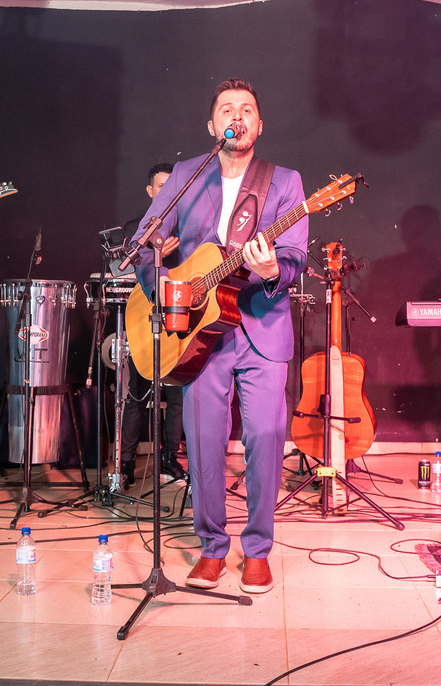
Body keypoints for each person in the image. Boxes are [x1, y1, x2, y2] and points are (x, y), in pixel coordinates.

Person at [131, 79, 307, 595]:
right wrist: (168, 293)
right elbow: (144, 242)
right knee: (204, 441)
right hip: (198, 330)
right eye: (227, 110)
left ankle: (257, 550)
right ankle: (210, 547)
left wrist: (273, 267)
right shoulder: (187, 176)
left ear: (259, 124)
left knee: (265, 440)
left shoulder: (286, 181)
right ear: (213, 127)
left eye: (247, 109)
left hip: (262, 326)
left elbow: (294, 255)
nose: (238, 116)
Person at [119, 163, 186, 485]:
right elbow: (124, 272)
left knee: (177, 394)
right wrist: (151, 254)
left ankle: (169, 458)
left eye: (173, 185)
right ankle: (126, 462)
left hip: (182, 320)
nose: (167, 191)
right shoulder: (136, 227)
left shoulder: (191, 227)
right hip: (144, 318)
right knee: (137, 392)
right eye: (161, 186)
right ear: (150, 191)